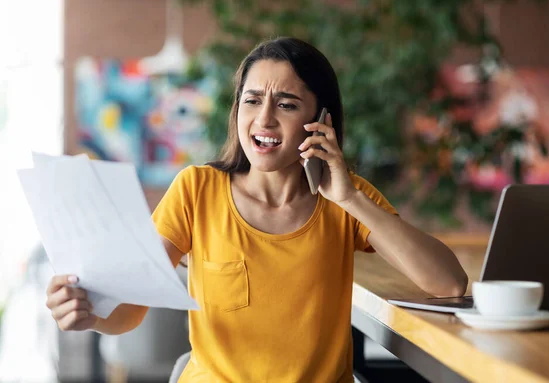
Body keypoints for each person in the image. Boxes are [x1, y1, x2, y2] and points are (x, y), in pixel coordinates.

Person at [45, 37, 468, 382]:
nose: (263, 120)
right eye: (251, 101)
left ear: (320, 120)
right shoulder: (197, 189)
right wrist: (88, 314)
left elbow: (449, 284)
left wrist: (350, 200)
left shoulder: (346, 199)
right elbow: (129, 310)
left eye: (285, 104)